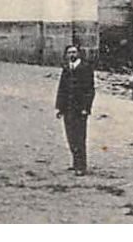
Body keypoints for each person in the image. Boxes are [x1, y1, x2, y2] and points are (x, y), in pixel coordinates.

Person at [55, 43, 95, 174]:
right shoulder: (67, 68)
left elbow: (90, 90)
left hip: (79, 109)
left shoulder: (85, 68)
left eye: (74, 52)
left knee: (79, 136)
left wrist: (86, 107)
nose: (72, 54)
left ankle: (81, 166)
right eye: (69, 52)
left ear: (78, 53)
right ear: (66, 55)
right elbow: (62, 89)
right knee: (70, 136)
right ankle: (75, 161)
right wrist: (60, 108)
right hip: (68, 108)